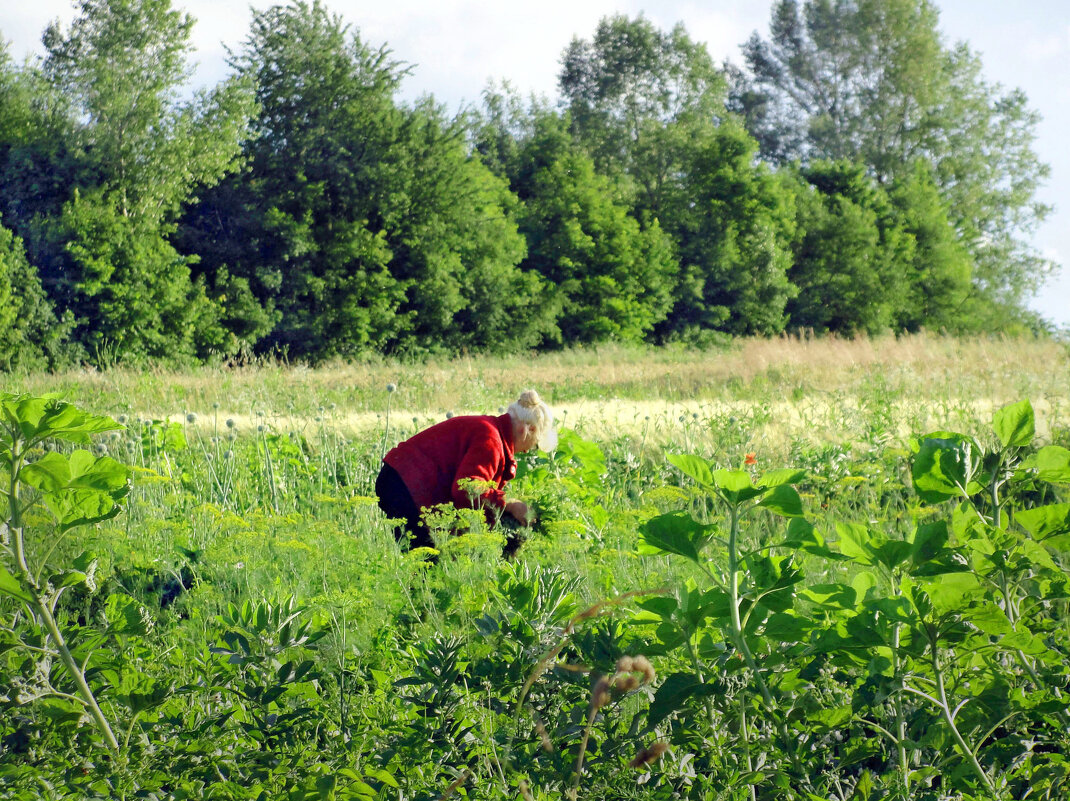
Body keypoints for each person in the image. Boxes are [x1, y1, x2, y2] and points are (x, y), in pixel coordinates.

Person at [375, 389, 557, 553]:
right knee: (427, 564)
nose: (527, 450)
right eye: (535, 444)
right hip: (404, 482)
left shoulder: (493, 433)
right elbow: (466, 489)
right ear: (529, 430)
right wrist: (508, 505)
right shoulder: (491, 438)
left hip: (400, 478)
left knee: (434, 557)